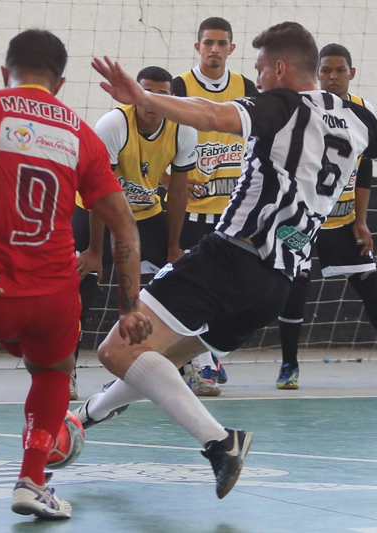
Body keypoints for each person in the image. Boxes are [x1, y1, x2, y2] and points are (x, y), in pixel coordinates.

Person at [82, 22, 377, 499]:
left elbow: (210, 114)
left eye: (260, 68)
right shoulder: (356, 118)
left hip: (231, 256)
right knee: (154, 362)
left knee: (116, 351)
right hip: (277, 283)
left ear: (280, 68)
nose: (256, 77)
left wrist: (145, 97)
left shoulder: (280, 104)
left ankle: (220, 443)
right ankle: (82, 420)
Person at [0, 29, 150, 519]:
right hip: (55, 293)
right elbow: (124, 227)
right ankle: (32, 479)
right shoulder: (81, 133)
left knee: (15, 335)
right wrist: (129, 308)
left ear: (4, 73)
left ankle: (14, 343)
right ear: (59, 83)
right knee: (53, 370)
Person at [274, 43, 377, 390]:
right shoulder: (304, 107)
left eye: (339, 70)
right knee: (295, 287)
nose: (332, 77)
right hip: (301, 220)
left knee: (370, 283)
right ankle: (289, 366)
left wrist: (361, 219)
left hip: (342, 219)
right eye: (326, 70)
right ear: (317, 74)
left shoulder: (363, 111)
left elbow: (364, 171)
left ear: (352, 73)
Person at [71, 66, 196, 400]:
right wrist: (95, 252)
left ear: (172, 98)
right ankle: (66, 366)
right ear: (135, 94)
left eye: (162, 94)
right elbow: (98, 191)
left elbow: (180, 191)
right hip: (95, 211)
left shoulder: (182, 127)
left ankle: (189, 364)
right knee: (84, 281)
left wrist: (174, 246)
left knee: (181, 277)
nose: (153, 100)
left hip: (145, 214)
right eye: (146, 92)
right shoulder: (114, 124)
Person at [171, 17, 259, 396]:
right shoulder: (179, 86)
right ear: (197, 47)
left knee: (231, 290)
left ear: (232, 49)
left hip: (234, 213)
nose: (214, 49)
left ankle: (207, 355)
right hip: (190, 211)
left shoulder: (246, 87)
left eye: (222, 43)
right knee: (188, 290)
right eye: (208, 42)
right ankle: (194, 362)